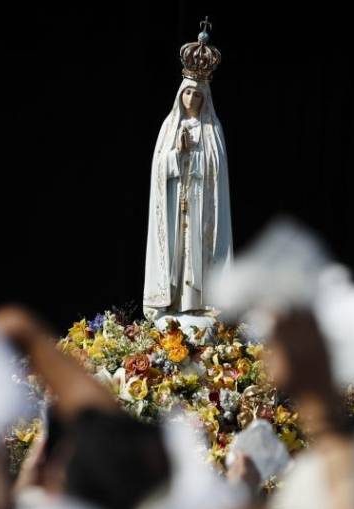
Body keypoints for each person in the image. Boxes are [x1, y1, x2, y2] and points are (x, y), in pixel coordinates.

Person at [143, 21, 232, 319]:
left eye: (197, 95)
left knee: (196, 251)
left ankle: (194, 303)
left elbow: (216, 171)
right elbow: (158, 170)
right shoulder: (170, 126)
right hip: (176, 200)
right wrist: (176, 155)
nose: (191, 99)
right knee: (177, 251)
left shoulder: (212, 129)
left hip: (200, 201)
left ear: (204, 98)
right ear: (180, 95)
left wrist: (196, 159)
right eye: (187, 94)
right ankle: (171, 300)